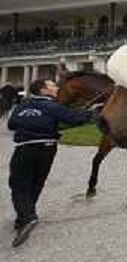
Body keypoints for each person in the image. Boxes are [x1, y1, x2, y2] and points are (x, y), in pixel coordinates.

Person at [7, 78, 98, 247]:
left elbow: (12, 125)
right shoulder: (53, 107)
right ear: (43, 90)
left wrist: (29, 124)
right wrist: (91, 113)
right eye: (52, 86)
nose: (57, 88)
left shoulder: (22, 106)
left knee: (19, 185)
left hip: (25, 148)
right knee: (36, 183)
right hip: (47, 149)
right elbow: (74, 119)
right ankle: (24, 218)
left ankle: (27, 218)